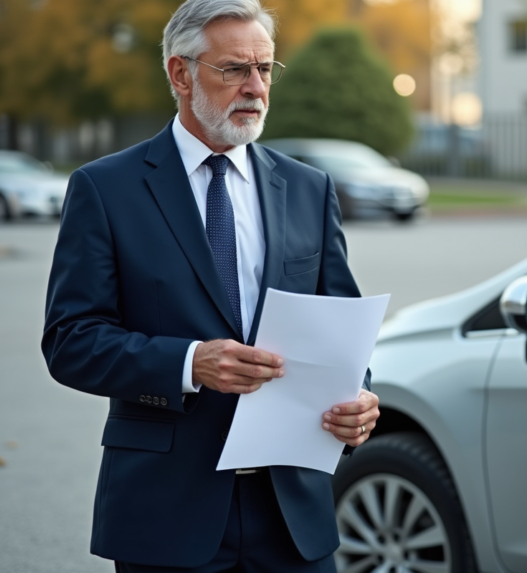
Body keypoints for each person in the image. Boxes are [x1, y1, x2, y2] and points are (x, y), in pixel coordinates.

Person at [41, 0, 380, 570]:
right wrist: (190, 363)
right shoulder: (106, 189)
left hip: (292, 513)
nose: (255, 87)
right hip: (166, 510)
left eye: (265, 69)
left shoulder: (308, 188)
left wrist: (360, 400)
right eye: (234, 70)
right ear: (180, 73)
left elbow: (340, 329)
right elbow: (71, 341)